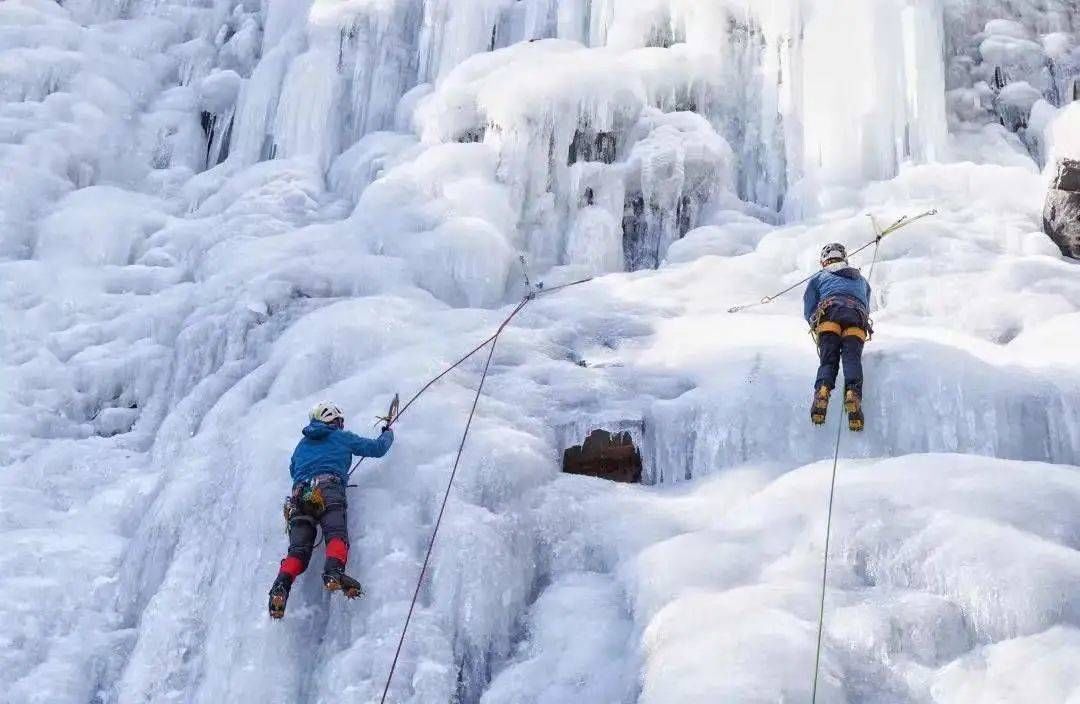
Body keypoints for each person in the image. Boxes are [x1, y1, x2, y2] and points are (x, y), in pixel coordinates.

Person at [269, 402, 394, 619]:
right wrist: (388, 433)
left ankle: (280, 587)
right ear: (334, 420)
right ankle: (333, 572)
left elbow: (293, 470)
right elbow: (377, 448)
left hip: (300, 496)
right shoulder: (340, 437)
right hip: (328, 488)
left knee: (298, 551)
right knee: (336, 535)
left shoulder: (301, 444)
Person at [803, 243, 872, 431]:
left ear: (824, 260)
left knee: (828, 361)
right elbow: (866, 304)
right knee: (852, 359)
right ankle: (853, 394)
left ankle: (823, 391)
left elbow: (809, 306)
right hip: (856, 317)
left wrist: (815, 325)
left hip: (828, 315)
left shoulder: (819, 277)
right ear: (844, 258)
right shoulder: (860, 279)